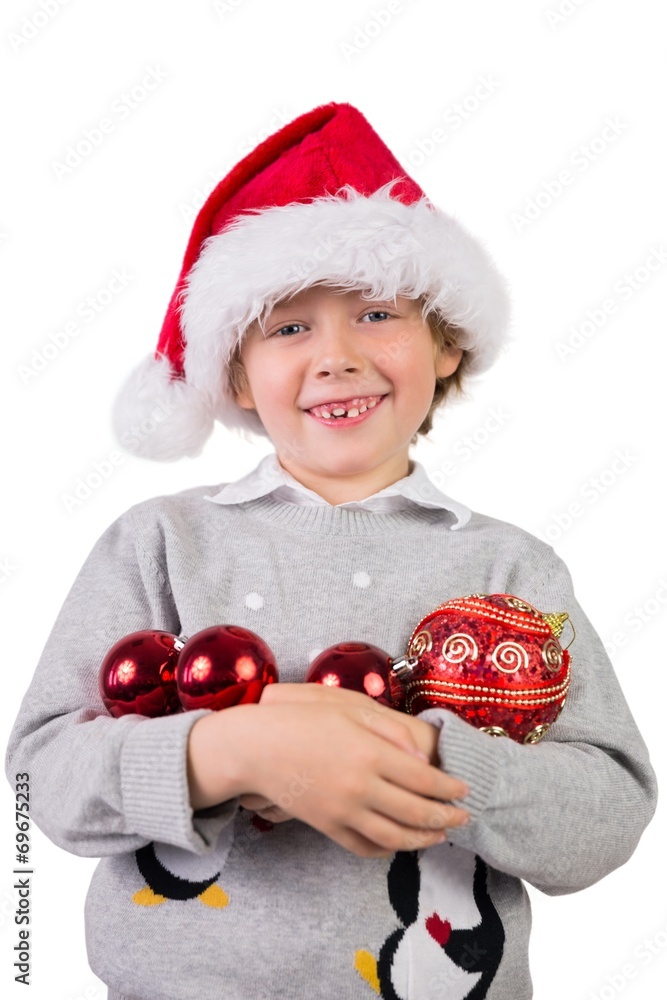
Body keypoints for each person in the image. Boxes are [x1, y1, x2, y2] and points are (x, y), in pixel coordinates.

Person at [5, 101, 657, 1000]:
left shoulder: (511, 569)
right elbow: (42, 778)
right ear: (233, 371)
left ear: (446, 344)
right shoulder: (158, 543)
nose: (336, 357)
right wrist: (229, 752)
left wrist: (430, 763)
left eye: (377, 312)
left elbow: (610, 815)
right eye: (287, 326)